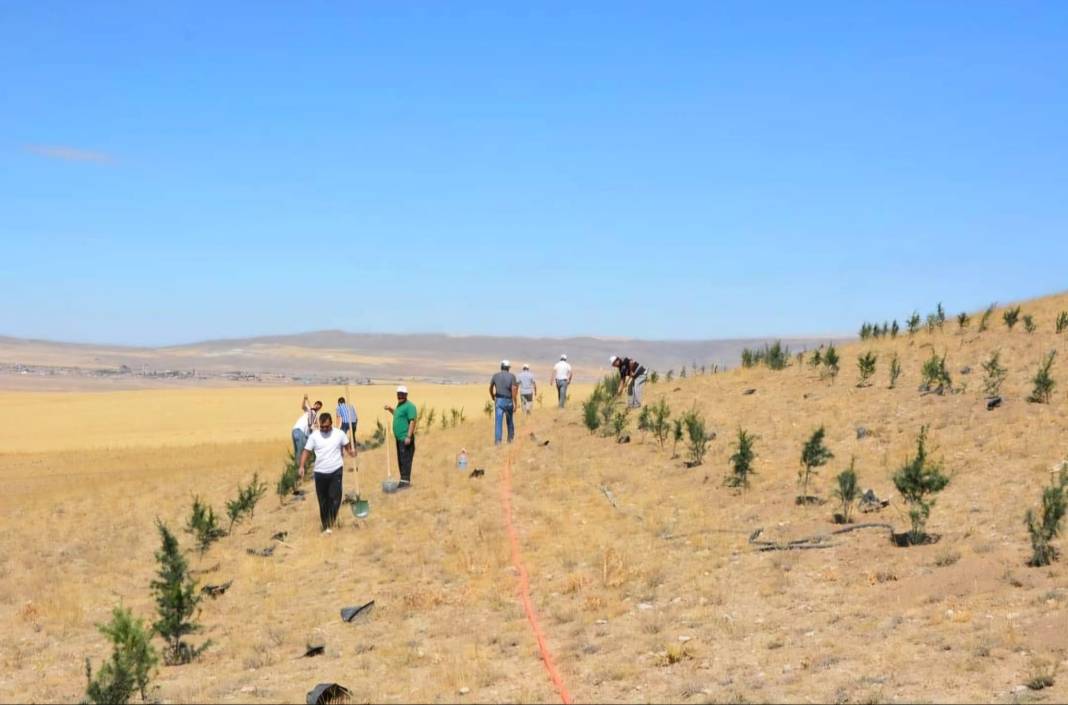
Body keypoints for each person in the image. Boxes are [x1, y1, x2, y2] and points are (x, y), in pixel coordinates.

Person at [298, 412, 355, 534]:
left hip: (336, 470)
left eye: (326, 427)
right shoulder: (314, 436)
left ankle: (330, 522)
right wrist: (302, 466)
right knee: (323, 501)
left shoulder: (339, 434)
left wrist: (351, 452)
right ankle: (326, 526)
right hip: (320, 472)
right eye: (322, 427)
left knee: (335, 498)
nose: (324, 429)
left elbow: (347, 446)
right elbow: (306, 451)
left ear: (331, 424)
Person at [384, 385, 417, 489]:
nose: (400, 396)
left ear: (406, 395)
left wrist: (408, 436)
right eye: (398, 394)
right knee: (401, 459)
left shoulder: (410, 406)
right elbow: (397, 415)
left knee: (406, 460)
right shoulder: (399, 406)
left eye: (402, 394)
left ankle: (405, 483)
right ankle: (403, 481)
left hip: (405, 438)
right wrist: (390, 409)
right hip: (399, 439)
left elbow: (412, 421)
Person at [489, 360, 518, 445]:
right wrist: (515, 403)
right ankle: (510, 439)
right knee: (509, 421)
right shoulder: (512, 376)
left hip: (498, 400)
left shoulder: (495, 376)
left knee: (498, 422)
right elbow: (514, 390)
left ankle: (498, 442)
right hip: (508, 400)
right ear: (508, 368)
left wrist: (492, 396)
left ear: (501, 367)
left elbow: (490, 388)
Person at [291, 394, 322, 461]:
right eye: (316, 404)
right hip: (300, 431)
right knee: (302, 451)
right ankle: (300, 467)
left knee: (298, 452)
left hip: (295, 430)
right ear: (314, 405)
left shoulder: (315, 414)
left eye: (319, 406)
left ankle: (298, 466)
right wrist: (305, 399)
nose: (317, 406)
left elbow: (317, 424)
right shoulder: (310, 411)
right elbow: (304, 406)